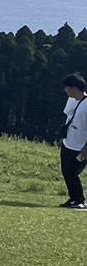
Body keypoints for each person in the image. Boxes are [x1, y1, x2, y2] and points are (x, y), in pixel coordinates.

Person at [60, 73, 87, 210]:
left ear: (74, 88)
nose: (65, 90)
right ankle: (73, 198)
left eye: (67, 88)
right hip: (68, 142)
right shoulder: (72, 100)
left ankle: (80, 200)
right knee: (66, 171)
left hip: (80, 147)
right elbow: (68, 114)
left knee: (73, 173)